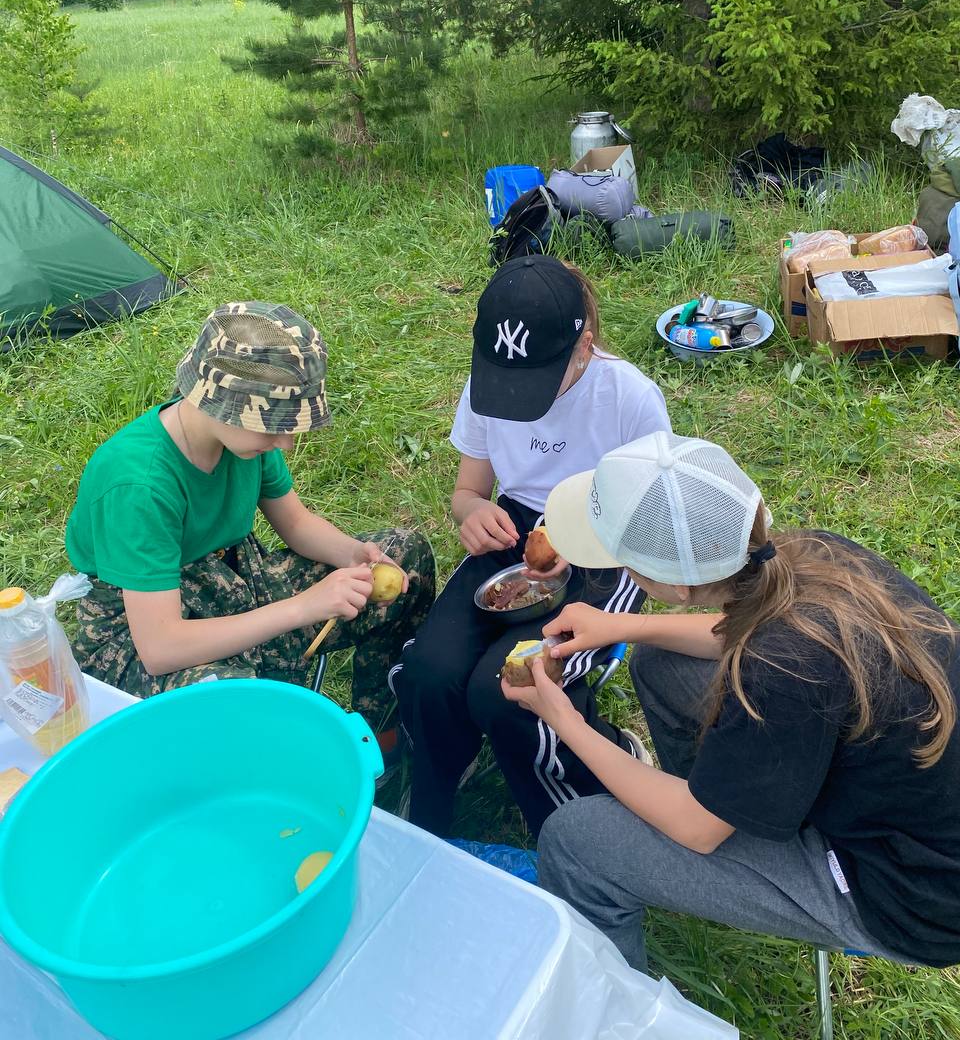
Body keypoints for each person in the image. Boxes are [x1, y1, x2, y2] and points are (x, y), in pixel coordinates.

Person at [502, 432, 960, 972]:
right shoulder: (813, 554)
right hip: (904, 792)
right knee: (659, 662)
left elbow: (697, 826)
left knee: (578, 839)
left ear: (679, 587)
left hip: (909, 892)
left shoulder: (781, 672)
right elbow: (744, 629)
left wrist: (564, 719)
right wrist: (621, 625)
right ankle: (726, 808)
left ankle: (618, 1010)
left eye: (624, 563)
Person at [66, 301, 435, 741]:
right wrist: (305, 606)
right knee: (243, 707)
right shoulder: (138, 485)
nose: (284, 442)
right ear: (219, 404)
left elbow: (295, 524)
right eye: (273, 426)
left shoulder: (244, 443)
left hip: (237, 580)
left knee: (406, 554)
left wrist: (355, 556)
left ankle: (382, 735)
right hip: (137, 633)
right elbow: (160, 647)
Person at [393, 256, 671, 837]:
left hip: (605, 544)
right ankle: (438, 798)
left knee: (511, 689)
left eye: (534, 384)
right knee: (428, 668)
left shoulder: (628, 399)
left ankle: (577, 807)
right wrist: (472, 514)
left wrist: (588, 536)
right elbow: (469, 490)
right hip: (517, 527)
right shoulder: (486, 382)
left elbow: (650, 519)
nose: (517, 398)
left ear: (584, 348)